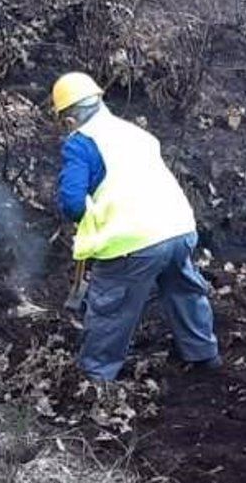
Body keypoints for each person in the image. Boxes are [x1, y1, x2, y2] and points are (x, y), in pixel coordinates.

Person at [51, 71, 219, 381]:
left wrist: (86, 219)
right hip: (178, 228)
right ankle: (203, 355)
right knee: (184, 290)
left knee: (111, 309)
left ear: (69, 120)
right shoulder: (136, 134)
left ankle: (95, 380)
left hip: (133, 242)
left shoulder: (82, 144)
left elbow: (72, 202)